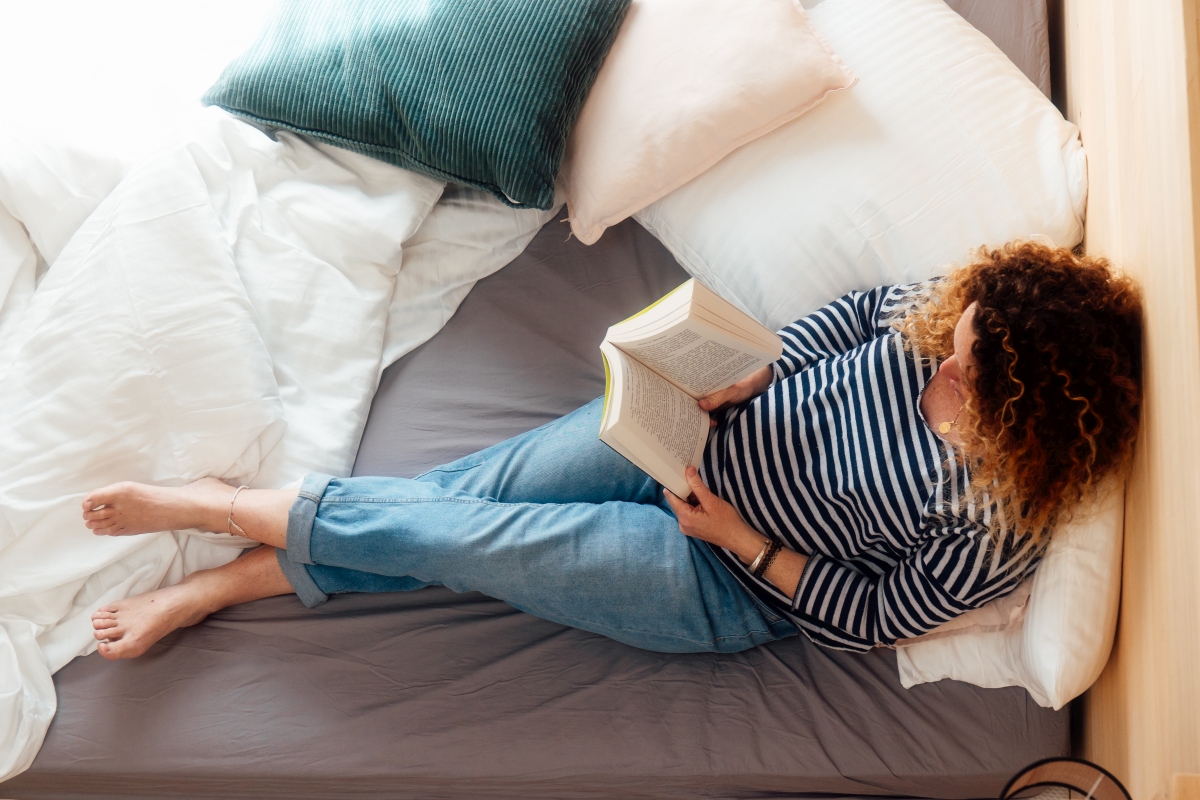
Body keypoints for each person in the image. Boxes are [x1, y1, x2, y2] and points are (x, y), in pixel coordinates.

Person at [81, 241, 1143, 659]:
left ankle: (225, 517)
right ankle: (232, 573)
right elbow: (858, 313)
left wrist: (738, 536)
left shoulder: (1001, 524)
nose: (939, 370)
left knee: (478, 537)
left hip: (722, 577)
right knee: (466, 497)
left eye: (965, 380)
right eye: (952, 346)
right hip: (682, 436)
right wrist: (757, 372)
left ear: (1031, 424)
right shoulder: (943, 321)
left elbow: (873, 614)